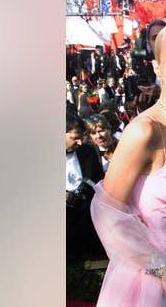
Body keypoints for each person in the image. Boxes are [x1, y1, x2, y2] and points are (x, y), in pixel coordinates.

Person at [90, 21, 166, 306]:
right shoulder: (144, 130)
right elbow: (105, 212)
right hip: (148, 281)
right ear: (157, 68)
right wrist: (161, 267)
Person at [66, 110, 105, 260]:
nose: (80, 142)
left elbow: (98, 183)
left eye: (81, 138)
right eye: (75, 138)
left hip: (86, 224)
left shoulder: (88, 152)